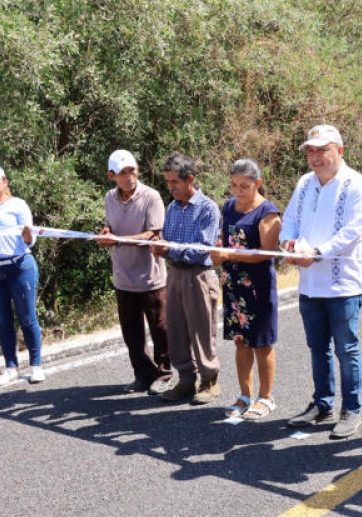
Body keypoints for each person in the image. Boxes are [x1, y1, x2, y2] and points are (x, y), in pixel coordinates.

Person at [281, 125, 362, 439]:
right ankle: (322, 404)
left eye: (323, 150)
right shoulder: (305, 183)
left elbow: (352, 232)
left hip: (343, 286)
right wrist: (288, 243)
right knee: (316, 347)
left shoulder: (357, 185)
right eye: (311, 150)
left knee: (346, 349)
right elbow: (290, 219)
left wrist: (318, 253)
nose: (315, 157)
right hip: (309, 283)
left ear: (340, 150)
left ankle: (352, 409)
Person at [210, 159, 281, 420]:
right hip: (234, 285)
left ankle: (266, 397)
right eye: (234, 185)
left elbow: (267, 252)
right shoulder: (228, 206)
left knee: (262, 343)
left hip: (258, 286)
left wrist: (230, 255)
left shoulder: (268, 212)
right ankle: (244, 395)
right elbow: (225, 238)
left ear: (258, 184)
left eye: (245, 186)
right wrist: (219, 251)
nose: (238, 191)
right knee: (241, 342)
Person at [97, 150, 171, 395]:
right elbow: (110, 225)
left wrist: (117, 240)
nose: (129, 177)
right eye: (122, 173)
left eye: (132, 170)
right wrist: (106, 232)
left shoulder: (151, 196)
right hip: (123, 277)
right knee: (131, 332)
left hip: (151, 278)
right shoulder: (109, 197)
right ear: (111, 175)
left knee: (160, 328)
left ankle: (164, 374)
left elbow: (153, 233)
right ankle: (142, 374)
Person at [151, 153, 221, 405]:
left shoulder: (207, 208)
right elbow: (168, 238)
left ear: (189, 179)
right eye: (167, 182)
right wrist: (159, 246)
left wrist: (169, 249)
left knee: (202, 330)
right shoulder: (172, 207)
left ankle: (209, 380)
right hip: (175, 274)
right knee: (177, 329)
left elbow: (202, 248)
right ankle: (186, 379)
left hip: (199, 275)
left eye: (175, 182)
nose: (170, 187)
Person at [0, 163, 45, 385]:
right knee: (2, 321)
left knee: (26, 318)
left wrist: (26, 234)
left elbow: (30, 239)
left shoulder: (17, 205)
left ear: (4, 181)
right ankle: (11, 367)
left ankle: (36, 365)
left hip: (20, 267)